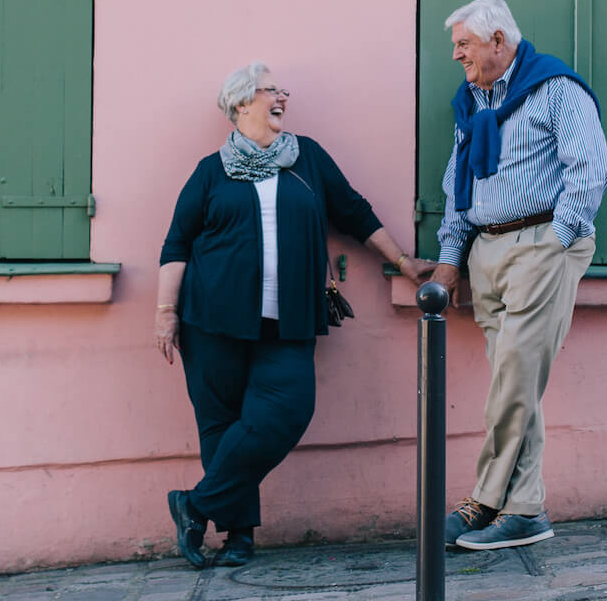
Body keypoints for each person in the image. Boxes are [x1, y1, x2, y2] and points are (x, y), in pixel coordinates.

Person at [157, 62, 434, 568]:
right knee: (221, 425)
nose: (283, 97)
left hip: (287, 321)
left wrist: (402, 261)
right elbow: (176, 244)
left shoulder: (306, 159)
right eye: (271, 91)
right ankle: (238, 538)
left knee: (286, 411)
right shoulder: (210, 171)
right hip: (211, 320)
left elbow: (354, 211)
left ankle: (193, 506)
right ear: (242, 104)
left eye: (282, 90)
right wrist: (165, 312)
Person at [430, 0, 607, 552]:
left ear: (499, 42)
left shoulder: (557, 89)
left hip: (540, 243)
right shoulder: (471, 104)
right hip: (487, 253)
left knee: (513, 374)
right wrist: (451, 257)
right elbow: (457, 186)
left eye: (465, 43)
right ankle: (526, 511)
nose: (457, 52)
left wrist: (556, 243)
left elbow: (591, 165)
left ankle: (483, 499)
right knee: (516, 381)